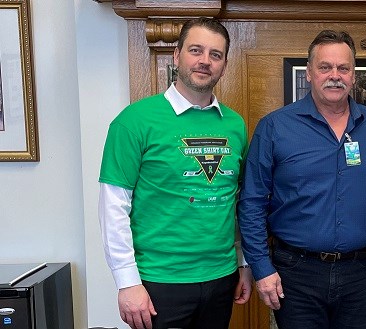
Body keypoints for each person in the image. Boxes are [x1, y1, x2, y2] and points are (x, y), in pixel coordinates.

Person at [98, 17, 252, 329]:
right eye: (196, 50)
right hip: (159, 282)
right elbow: (113, 206)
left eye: (215, 54)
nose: (205, 61)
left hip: (222, 278)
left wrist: (243, 263)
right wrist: (127, 282)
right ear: (177, 55)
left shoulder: (235, 125)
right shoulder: (133, 121)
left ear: (224, 65)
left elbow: (237, 202)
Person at [238, 30, 366, 329]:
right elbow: (252, 202)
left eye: (343, 68)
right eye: (325, 67)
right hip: (295, 273)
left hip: (358, 272)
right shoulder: (275, 127)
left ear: (354, 75)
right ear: (309, 73)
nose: (334, 76)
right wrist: (261, 267)